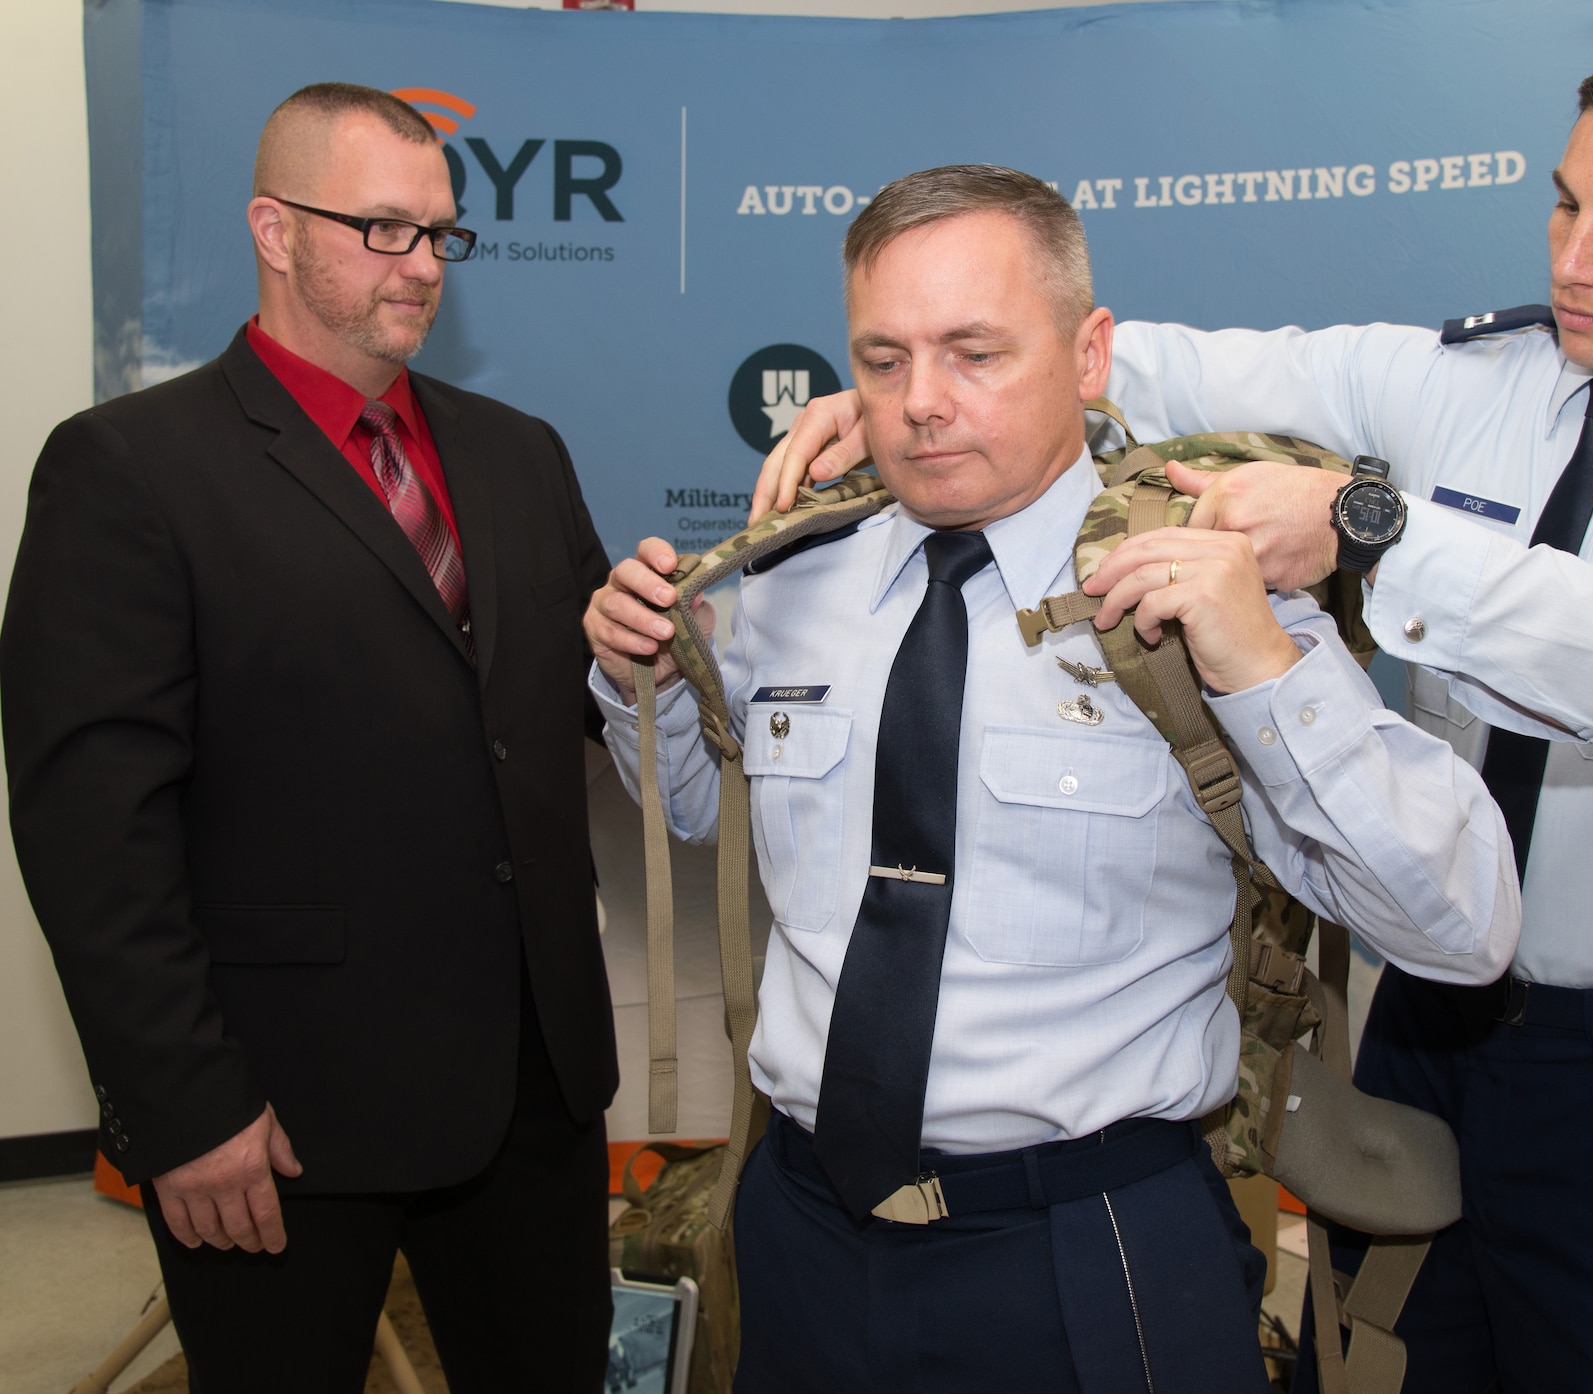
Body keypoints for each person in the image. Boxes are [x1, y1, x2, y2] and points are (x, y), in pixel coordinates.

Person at [751, 14, 1593, 1394]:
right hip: (1418, 1008)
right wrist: (918, 388)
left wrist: (1373, 528)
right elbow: (1136, 359)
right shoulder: (1467, 381)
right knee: (1393, 1354)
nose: (1574, 258)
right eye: (1563, 204)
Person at [585, 163, 1520, 1393]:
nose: (920, 403)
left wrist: (1262, 672)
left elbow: (1461, 929)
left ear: (1089, 355)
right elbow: (709, 816)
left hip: (1091, 1242)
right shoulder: (794, 576)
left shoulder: (1200, 589)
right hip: (804, 1226)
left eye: (974, 351)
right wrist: (637, 681)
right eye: (881, 357)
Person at [2, 84, 617, 1393]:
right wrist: (185, 1107)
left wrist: (659, 650)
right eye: (383, 229)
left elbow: (568, 711)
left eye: (442, 234)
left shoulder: (520, 456)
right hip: (279, 1116)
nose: (424, 266)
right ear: (273, 231)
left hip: (532, 1090)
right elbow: (92, 830)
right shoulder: (128, 470)